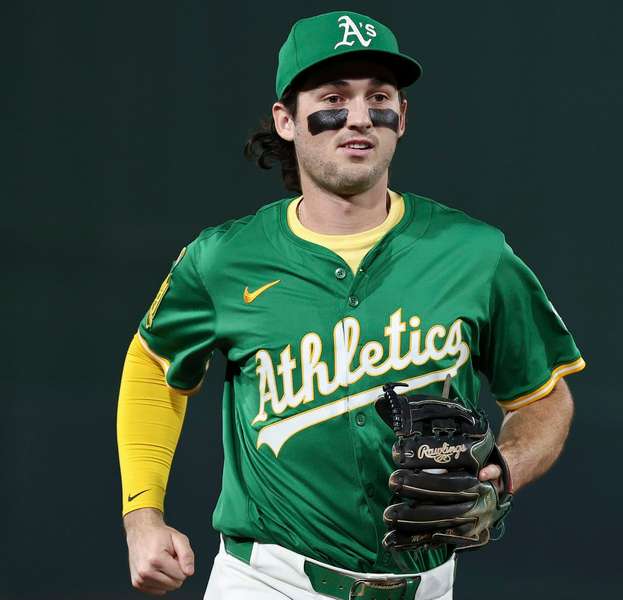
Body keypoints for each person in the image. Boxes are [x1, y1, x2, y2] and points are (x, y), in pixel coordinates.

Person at [117, 10, 586, 599]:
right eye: (334, 98)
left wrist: (504, 467)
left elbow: (544, 396)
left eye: (378, 97)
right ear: (286, 121)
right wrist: (143, 517)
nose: (359, 116)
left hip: (426, 586)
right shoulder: (224, 259)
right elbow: (154, 367)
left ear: (402, 117)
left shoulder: (475, 253)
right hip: (268, 583)